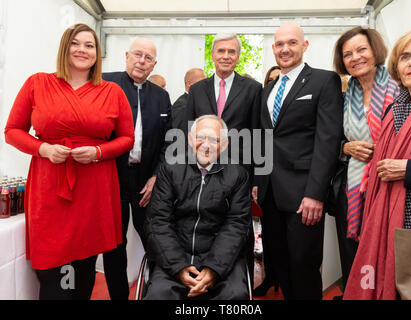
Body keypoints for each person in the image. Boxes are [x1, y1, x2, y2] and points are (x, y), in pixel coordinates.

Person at [3, 23, 135, 300]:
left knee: (84, 266)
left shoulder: (112, 92)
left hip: (93, 186)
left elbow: (127, 139)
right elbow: (12, 131)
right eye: (76, 43)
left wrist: (98, 152)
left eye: (90, 45)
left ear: (98, 54)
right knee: (51, 272)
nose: (82, 50)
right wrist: (43, 149)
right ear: (65, 48)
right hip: (50, 184)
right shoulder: (37, 83)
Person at [344, 25, 411, 300]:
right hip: (391, 224)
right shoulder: (395, 108)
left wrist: (409, 170)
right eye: (405, 56)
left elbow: (407, 166)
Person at [252, 22, 343, 300]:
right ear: (273, 49)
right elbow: (261, 139)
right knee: (279, 264)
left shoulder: (324, 80)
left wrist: (315, 193)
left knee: (304, 265)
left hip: (304, 195)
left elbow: (327, 141)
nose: (285, 49)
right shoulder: (266, 91)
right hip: (270, 195)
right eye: (279, 44)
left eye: (292, 43)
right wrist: (258, 182)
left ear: (304, 46)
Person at [144, 115, 251, 300]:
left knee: (235, 295)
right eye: (201, 137)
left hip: (220, 258)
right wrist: (179, 267)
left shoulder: (238, 175)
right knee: (158, 295)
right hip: (176, 254)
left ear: (224, 145)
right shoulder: (170, 169)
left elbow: (237, 225)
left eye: (214, 140)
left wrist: (213, 270)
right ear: (191, 140)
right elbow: (157, 221)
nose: (206, 145)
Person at [186, 32, 262, 286]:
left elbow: (258, 134)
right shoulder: (196, 90)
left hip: (239, 175)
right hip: (202, 173)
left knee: (240, 231)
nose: (226, 56)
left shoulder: (253, 89)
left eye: (232, 52)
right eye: (221, 51)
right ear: (212, 54)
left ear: (238, 56)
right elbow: (187, 132)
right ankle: (202, 281)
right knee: (204, 226)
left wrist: (255, 179)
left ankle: (244, 285)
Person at [102, 38, 172, 300]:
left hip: (147, 183)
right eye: (137, 55)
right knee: (114, 246)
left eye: (148, 58)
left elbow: (170, 142)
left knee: (156, 242)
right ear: (126, 55)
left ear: (154, 64)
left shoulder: (162, 96)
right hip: (111, 179)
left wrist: (156, 177)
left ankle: (155, 294)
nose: (142, 61)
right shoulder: (105, 83)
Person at [331, 27, 399, 292]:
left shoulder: (400, 85)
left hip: (391, 183)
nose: (355, 57)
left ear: (375, 51)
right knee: (355, 252)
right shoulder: (345, 97)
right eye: (348, 54)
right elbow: (333, 139)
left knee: (385, 251)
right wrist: (346, 147)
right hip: (355, 185)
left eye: (361, 50)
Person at [252, 64, 282, 297]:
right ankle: (270, 277)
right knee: (269, 236)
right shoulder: (261, 104)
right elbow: (258, 144)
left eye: (278, 79)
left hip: (292, 182)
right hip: (265, 182)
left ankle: (284, 279)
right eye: (270, 80)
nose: (274, 82)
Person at [172, 68, 206, 132]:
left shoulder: (197, 102)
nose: (206, 85)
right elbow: (179, 133)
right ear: (189, 84)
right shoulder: (182, 104)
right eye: (203, 82)